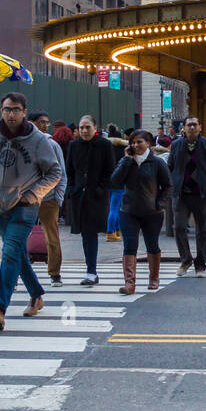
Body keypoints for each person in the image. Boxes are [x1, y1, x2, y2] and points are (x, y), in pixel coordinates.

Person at [0, 92, 62, 330]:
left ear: (24, 111)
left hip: (25, 206)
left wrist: (33, 195)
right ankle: (36, 294)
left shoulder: (38, 140)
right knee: (17, 253)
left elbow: (54, 172)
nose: (11, 114)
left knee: (10, 251)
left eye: (16, 110)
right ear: (1, 111)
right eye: (7, 109)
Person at [111, 129, 171, 293]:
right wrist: (126, 160)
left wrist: (160, 204)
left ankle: (154, 278)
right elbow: (115, 181)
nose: (135, 145)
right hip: (128, 210)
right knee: (129, 246)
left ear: (149, 143)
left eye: (139, 142)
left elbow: (168, 186)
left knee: (152, 245)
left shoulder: (157, 163)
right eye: (132, 142)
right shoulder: (126, 161)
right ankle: (130, 283)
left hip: (152, 211)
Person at [167, 115, 206, 276]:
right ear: (183, 128)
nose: (192, 127)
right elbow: (170, 167)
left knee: (203, 231)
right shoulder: (176, 145)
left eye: (194, 125)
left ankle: (200, 265)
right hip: (181, 194)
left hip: (202, 195)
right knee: (179, 227)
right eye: (189, 125)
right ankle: (186, 259)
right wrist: (171, 188)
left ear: (200, 127)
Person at [67, 115, 117, 286]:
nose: (84, 130)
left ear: (95, 128)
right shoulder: (74, 145)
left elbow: (110, 170)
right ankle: (91, 271)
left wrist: (100, 188)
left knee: (91, 234)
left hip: (96, 196)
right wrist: (72, 189)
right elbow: (70, 171)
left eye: (87, 127)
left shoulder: (104, 145)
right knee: (85, 235)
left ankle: (91, 271)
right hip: (79, 196)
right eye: (81, 127)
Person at [29, 111, 68, 287]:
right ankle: (13, 274)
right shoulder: (23, 143)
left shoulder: (52, 145)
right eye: (40, 122)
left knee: (52, 237)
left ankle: (55, 274)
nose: (44, 125)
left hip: (48, 197)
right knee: (16, 237)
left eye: (46, 122)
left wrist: (58, 197)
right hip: (25, 197)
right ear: (31, 123)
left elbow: (61, 172)